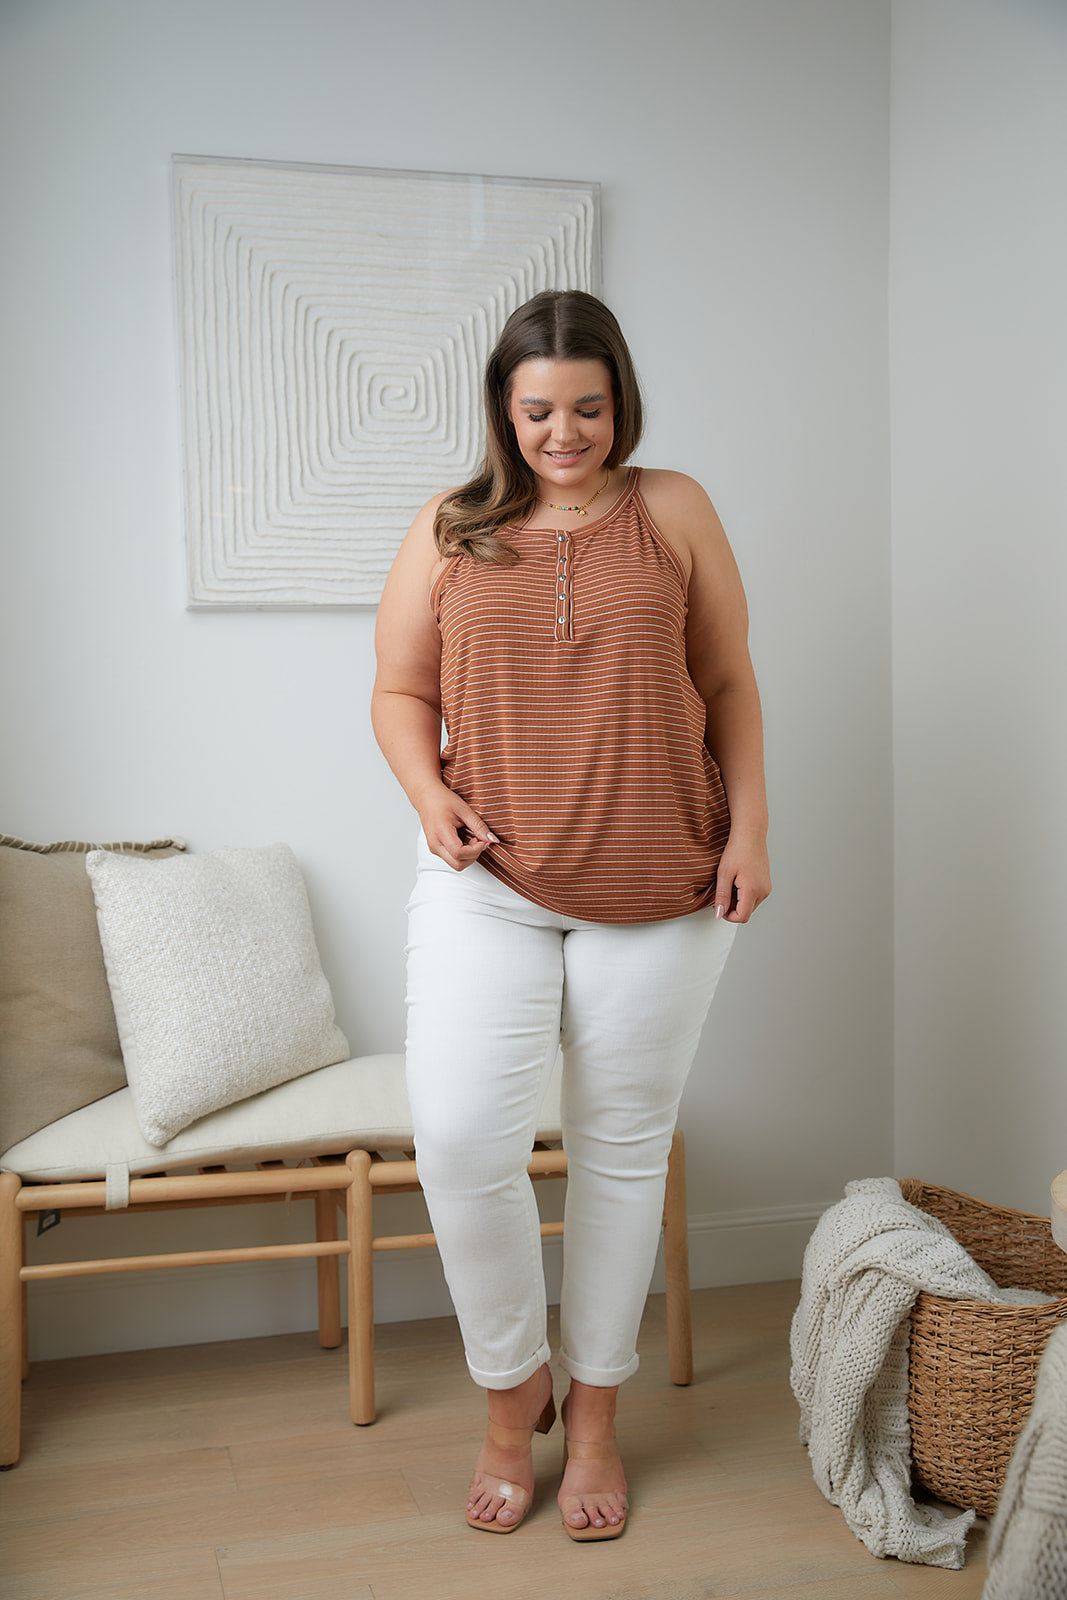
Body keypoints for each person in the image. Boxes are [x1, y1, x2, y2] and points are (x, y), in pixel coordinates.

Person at [372, 289, 770, 1541]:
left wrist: (751, 830)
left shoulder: (673, 508)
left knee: (619, 1148)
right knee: (456, 1139)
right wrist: (429, 796)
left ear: (618, 403)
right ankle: (513, 1394)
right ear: (504, 408)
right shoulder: (449, 525)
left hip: (663, 883)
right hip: (486, 877)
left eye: (587, 408)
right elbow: (397, 689)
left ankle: (594, 1414)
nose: (564, 433)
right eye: (538, 409)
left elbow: (726, 679)